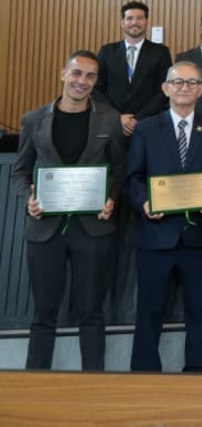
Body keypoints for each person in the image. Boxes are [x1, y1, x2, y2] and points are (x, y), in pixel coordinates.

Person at [11, 50, 125, 370]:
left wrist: (111, 198)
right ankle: (35, 382)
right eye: (76, 73)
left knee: (92, 312)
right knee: (43, 313)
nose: (82, 81)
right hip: (45, 229)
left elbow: (119, 168)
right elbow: (20, 171)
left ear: (96, 81)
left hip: (93, 228)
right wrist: (29, 198)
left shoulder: (110, 119)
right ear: (63, 74)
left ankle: (94, 382)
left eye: (90, 76)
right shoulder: (33, 120)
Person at [124, 61, 202, 372]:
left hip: (199, 235)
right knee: (149, 311)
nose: (185, 87)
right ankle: (145, 375)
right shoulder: (145, 129)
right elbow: (133, 177)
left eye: (192, 82)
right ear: (165, 88)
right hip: (156, 235)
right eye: (178, 82)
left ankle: (199, 374)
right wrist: (144, 202)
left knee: (199, 310)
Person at [94, 0, 172, 136]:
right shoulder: (107, 52)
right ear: (122, 23)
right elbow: (96, 89)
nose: (134, 22)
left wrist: (138, 119)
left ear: (146, 22)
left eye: (139, 18)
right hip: (112, 125)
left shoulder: (161, 52)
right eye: (129, 18)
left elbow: (164, 90)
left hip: (148, 124)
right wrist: (117, 117)